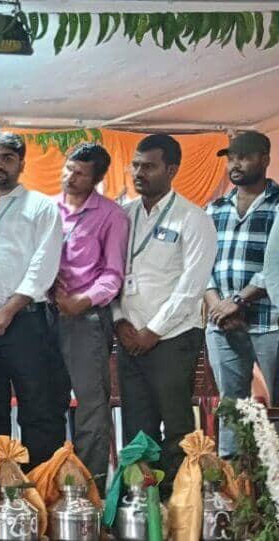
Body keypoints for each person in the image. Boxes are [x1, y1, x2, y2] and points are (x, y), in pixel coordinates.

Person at [113, 134, 215, 493]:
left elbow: (191, 287)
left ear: (172, 170)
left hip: (172, 339)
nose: (139, 173)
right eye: (135, 165)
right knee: (136, 428)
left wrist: (153, 331)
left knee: (176, 427)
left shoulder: (193, 218)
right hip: (129, 337)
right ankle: (143, 504)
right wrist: (119, 321)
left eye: (149, 166)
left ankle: (180, 504)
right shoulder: (123, 215)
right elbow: (111, 274)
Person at [0, 133, 65, 471]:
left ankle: (39, 485)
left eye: (7, 158)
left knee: (37, 407)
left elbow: (43, 266)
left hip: (24, 322)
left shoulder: (41, 207)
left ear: (21, 163)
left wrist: (8, 310)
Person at [50, 142, 128, 486]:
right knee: (45, 403)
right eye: (68, 168)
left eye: (80, 173)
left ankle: (89, 491)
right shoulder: (46, 209)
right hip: (43, 315)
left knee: (91, 406)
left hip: (86, 320)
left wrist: (80, 302)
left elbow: (113, 274)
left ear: (96, 179)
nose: (70, 177)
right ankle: (51, 484)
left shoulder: (111, 215)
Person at [203, 131, 277, 458]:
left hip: (270, 321)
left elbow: (276, 265)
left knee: (276, 406)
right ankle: (234, 478)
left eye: (244, 158)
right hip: (222, 324)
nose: (235, 164)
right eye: (231, 158)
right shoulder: (215, 208)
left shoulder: (277, 204)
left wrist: (239, 300)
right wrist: (217, 305)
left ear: (264, 159)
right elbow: (201, 263)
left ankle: (272, 478)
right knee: (232, 406)